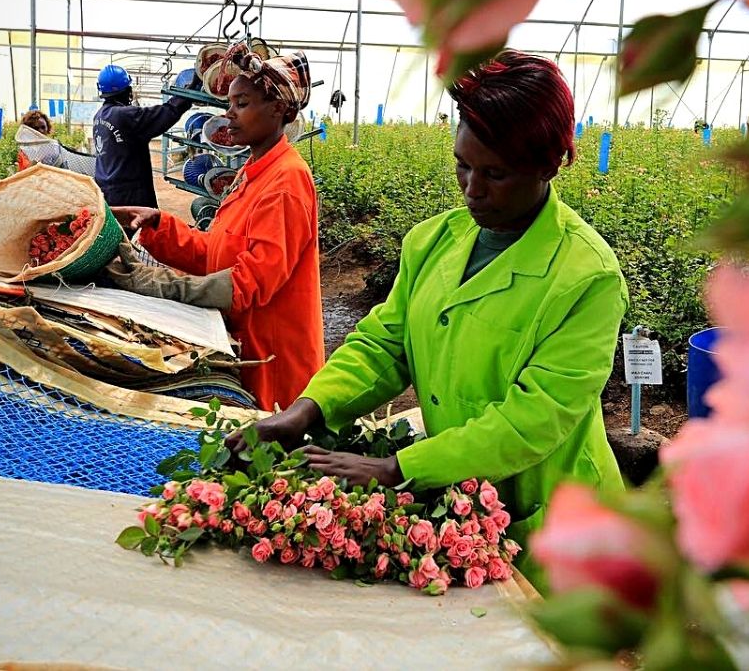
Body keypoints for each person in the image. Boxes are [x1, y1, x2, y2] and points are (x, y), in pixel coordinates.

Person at [229, 50, 628, 572]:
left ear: (549, 165)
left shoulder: (586, 276)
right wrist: (308, 410)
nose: (472, 189)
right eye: (463, 165)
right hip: (459, 494)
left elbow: (535, 418)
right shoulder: (433, 242)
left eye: (496, 173)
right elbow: (383, 346)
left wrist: (397, 469)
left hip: (557, 520)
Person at [111, 49, 324, 413]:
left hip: (273, 365)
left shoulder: (286, 181)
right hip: (246, 348)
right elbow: (215, 252)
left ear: (278, 110)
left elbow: (249, 283)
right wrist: (158, 224)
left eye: (241, 103)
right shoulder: (250, 173)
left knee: (272, 459)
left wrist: (162, 286)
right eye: (229, 102)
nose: (229, 113)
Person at [93, 64, 193, 207]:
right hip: (129, 194)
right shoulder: (125, 115)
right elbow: (167, 112)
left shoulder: (99, 115)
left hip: (106, 191)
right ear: (127, 90)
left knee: (118, 228)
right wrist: (188, 93)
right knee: (144, 227)